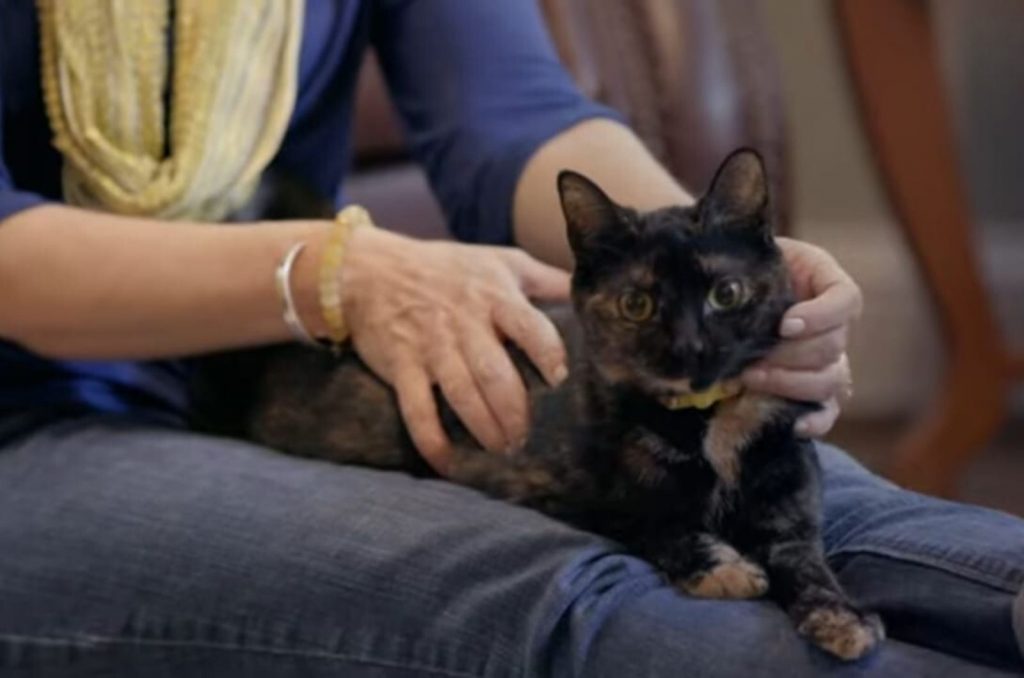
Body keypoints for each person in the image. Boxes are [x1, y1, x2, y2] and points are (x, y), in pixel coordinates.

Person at [0, 1, 1021, 676]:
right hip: (36, 429)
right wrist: (330, 271)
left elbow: (514, 118)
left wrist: (725, 278)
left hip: (280, 369)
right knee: (585, 596)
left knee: (833, 515)